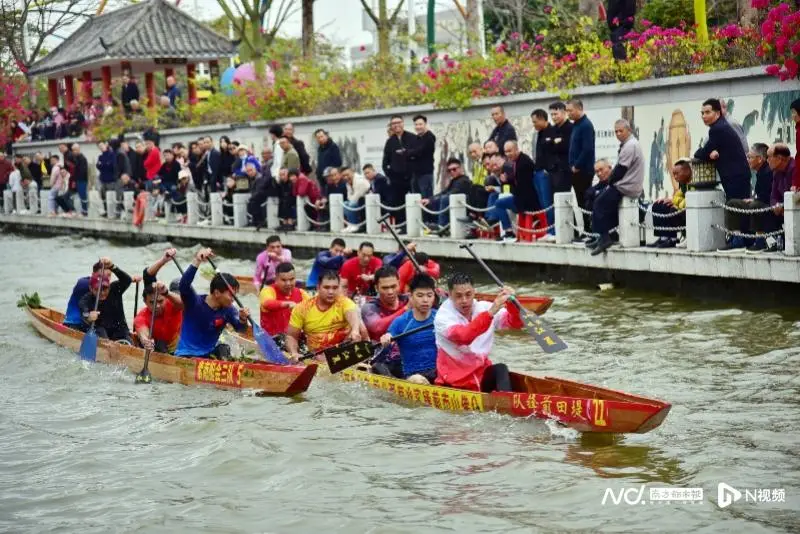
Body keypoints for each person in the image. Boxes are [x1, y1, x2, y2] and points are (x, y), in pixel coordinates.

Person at [434, 273, 522, 392]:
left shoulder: (483, 307)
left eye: (468, 294)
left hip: (481, 376)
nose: (464, 300)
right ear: (450, 295)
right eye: (458, 296)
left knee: (501, 368)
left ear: (474, 292)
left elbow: (514, 324)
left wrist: (512, 303)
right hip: (455, 383)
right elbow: (464, 336)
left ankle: (506, 404)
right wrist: (490, 313)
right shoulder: (443, 317)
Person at [174, 248, 250, 359]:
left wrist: (243, 319)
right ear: (217, 293)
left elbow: (241, 329)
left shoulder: (228, 310)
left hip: (208, 354)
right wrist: (197, 260)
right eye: (231, 295)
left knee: (224, 348)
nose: (233, 299)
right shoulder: (194, 302)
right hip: (187, 354)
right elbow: (184, 285)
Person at [589, 119, 644, 256]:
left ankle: (605, 239)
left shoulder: (630, 145)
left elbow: (620, 170)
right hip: (626, 184)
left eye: (621, 131)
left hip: (626, 186)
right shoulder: (628, 144)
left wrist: (610, 182)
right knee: (600, 203)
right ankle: (602, 237)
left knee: (599, 203)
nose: (618, 134)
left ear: (628, 130)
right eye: (616, 131)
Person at [286, 270, 361, 360]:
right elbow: (291, 336)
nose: (331, 292)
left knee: (361, 328)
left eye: (335, 288)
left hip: (343, 352)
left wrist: (355, 330)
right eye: (326, 287)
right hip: (316, 355)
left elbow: (352, 312)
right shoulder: (302, 308)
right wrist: (294, 353)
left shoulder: (344, 302)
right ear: (318, 288)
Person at [380, 274, 438, 383]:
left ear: (434, 296)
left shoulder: (440, 318)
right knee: (418, 380)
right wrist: (386, 338)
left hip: (439, 373)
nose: (425, 300)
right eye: (420, 296)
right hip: (414, 377)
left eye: (429, 295)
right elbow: (389, 337)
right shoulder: (401, 322)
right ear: (410, 297)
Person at [694, 98, 751, 201]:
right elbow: (711, 150)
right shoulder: (720, 125)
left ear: (717, 113)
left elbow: (702, 153)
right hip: (737, 175)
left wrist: (700, 152)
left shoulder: (717, 129)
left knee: (737, 210)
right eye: (702, 113)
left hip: (735, 177)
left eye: (707, 112)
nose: (704, 116)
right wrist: (711, 153)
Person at [361, 266, 410, 378]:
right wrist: (406, 309)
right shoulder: (369, 307)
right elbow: (377, 327)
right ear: (377, 288)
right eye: (385, 288)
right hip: (381, 361)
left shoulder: (409, 299)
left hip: (407, 356)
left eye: (393, 286)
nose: (390, 292)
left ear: (399, 283)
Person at [77, 261, 133, 342]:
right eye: (97, 289)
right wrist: (89, 317)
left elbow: (127, 280)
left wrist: (112, 266)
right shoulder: (85, 300)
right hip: (100, 332)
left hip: (119, 331)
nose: (102, 293)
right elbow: (84, 314)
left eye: (105, 288)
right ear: (91, 288)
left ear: (109, 286)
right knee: (101, 331)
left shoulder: (115, 289)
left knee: (126, 337)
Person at [647, 159, 693, 249]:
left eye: (677, 174)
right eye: (673, 174)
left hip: (689, 213)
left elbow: (690, 201)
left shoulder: (693, 183)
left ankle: (672, 239)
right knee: (659, 205)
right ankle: (663, 237)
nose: (675, 177)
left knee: (672, 209)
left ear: (687, 172)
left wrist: (676, 202)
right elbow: (676, 197)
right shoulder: (683, 184)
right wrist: (672, 200)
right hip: (682, 208)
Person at [567, 99, 596, 235]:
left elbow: (587, 149)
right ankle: (585, 230)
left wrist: (577, 165)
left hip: (583, 171)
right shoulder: (576, 125)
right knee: (580, 202)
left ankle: (589, 231)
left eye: (570, 110)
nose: (568, 114)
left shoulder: (586, 125)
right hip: (575, 171)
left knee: (585, 202)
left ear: (579, 109)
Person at [382, 115, 417, 226]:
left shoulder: (412, 138)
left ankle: (415, 224)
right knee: (398, 203)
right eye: (394, 123)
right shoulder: (390, 141)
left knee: (414, 202)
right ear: (391, 126)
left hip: (412, 176)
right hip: (396, 178)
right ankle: (401, 226)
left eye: (398, 122)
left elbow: (417, 154)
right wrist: (390, 174)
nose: (396, 125)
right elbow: (385, 161)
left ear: (403, 123)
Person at [259, 262, 310, 337]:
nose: (288, 283)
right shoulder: (267, 291)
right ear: (276, 279)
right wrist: (288, 304)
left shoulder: (302, 293)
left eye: (291, 279)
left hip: (294, 339)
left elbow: (314, 309)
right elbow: (267, 304)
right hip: (271, 339)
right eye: (284, 280)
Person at [134, 280, 184, 353]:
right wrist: (146, 341)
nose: (156, 306)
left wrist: (167, 292)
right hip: (161, 347)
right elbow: (143, 333)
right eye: (152, 302)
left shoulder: (174, 305)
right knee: (160, 344)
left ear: (166, 299)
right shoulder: (141, 317)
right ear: (145, 301)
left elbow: (185, 304)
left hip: (181, 344)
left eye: (160, 301)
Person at [63, 259, 108, 329]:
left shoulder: (105, 287)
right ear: (93, 274)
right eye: (100, 276)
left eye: (107, 276)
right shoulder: (83, 283)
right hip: (74, 322)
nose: (104, 279)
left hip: (89, 322)